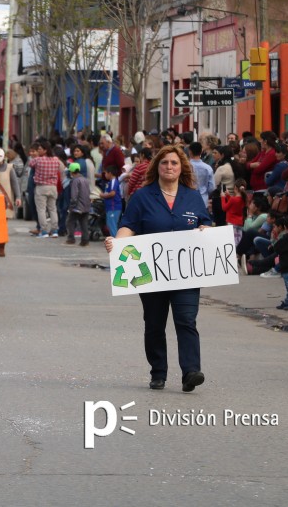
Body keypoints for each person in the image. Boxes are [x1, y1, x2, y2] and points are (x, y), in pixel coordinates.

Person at [104, 145, 212, 392]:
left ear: (182, 167)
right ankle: (158, 372)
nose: (169, 167)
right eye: (164, 163)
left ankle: (191, 372)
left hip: (186, 272)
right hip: (151, 272)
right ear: (157, 167)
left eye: (174, 163)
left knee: (186, 320)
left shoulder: (192, 196)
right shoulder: (142, 197)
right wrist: (116, 243)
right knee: (154, 323)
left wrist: (206, 230)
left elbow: (205, 223)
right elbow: (128, 225)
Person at [29, 140, 62, 238]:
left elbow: (30, 163)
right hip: (53, 187)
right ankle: (55, 230)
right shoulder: (56, 159)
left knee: (41, 210)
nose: (38, 151)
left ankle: (44, 231)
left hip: (41, 187)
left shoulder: (38, 160)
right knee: (53, 209)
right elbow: (59, 167)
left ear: (45, 150)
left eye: (40, 149)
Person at [65, 162, 91, 246]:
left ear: (71, 171)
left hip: (77, 206)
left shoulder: (75, 181)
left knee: (70, 221)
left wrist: (71, 206)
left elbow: (74, 195)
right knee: (84, 223)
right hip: (86, 205)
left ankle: (71, 238)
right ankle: (85, 240)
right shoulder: (85, 179)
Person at [101, 165, 122, 236]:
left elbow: (113, 193)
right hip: (110, 207)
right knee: (110, 224)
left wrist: (102, 195)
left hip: (113, 207)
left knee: (112, 225)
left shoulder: (114, 181)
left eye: (105, 173)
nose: (105, 175)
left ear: (110, 173)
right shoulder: (110, 182)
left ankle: (116, 240)